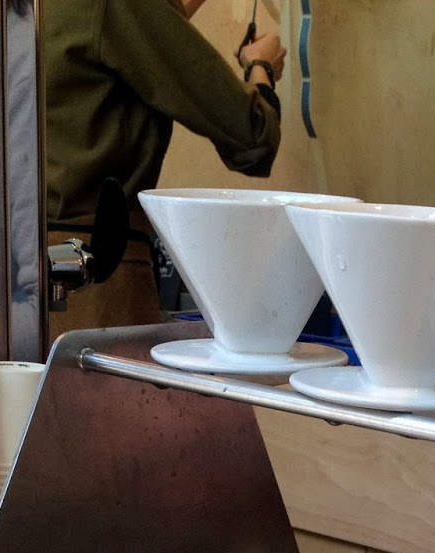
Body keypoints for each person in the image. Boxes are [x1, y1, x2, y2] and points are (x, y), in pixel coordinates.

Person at [41, 0, 287, 328]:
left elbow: (119, 34)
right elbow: (253, 136)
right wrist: (261, 68)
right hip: (96, 289)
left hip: (13, 285)